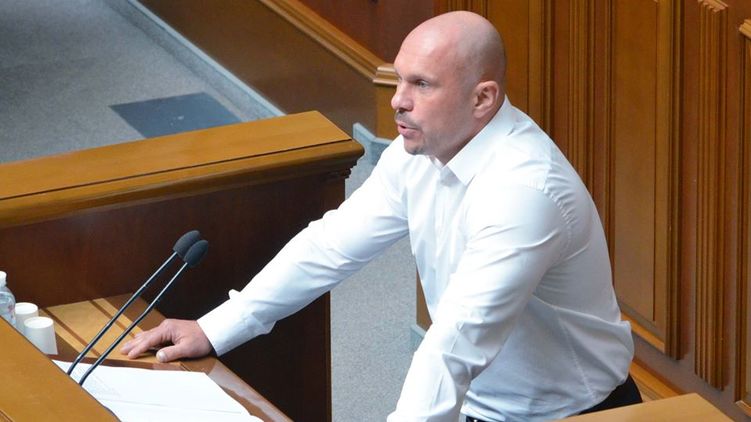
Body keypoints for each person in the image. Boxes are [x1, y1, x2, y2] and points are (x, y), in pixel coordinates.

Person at [122, 11, 639, 421]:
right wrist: (215, 329)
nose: (397, 101)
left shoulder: (524, 193)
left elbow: (454, 342)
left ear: (483, 98)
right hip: (476, 405)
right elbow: (329, 246)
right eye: (398, 79)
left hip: (575, 413)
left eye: (422, 84)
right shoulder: (420, 150)